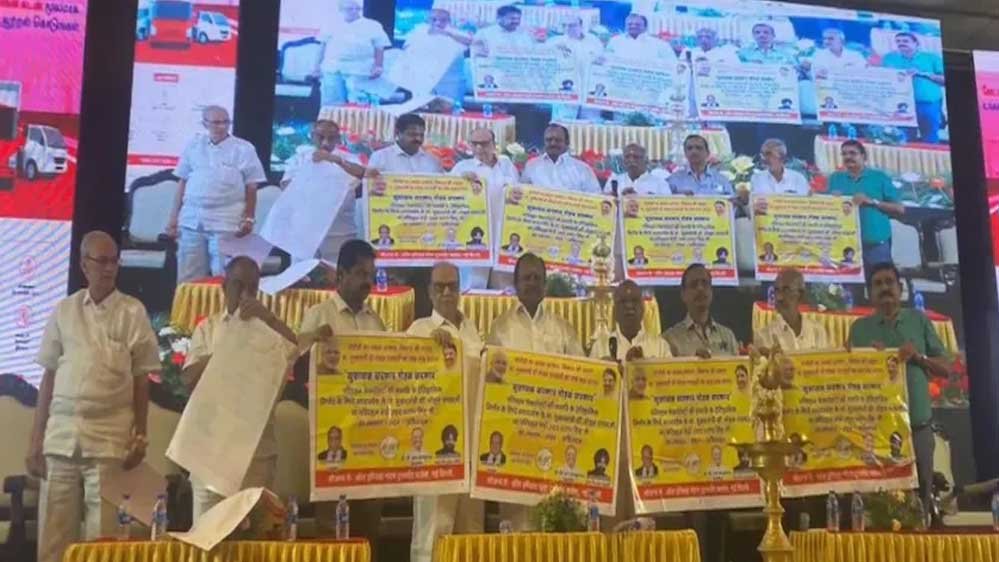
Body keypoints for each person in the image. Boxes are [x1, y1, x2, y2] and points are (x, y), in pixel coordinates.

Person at [29, 232, 161, 562]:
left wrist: (140, 436)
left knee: (103, 539)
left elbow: (141, 379)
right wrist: (35, 440)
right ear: (84, 264)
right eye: (102, 261)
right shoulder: (65, 309)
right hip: (61, 437)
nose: (109, 268)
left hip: (109, 439)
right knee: (53, 537)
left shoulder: (132, 311)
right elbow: (49, 376)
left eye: (114, 261)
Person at [181, 256, 298, 521]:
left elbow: (294, 349)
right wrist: (229, 346)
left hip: (256, 456)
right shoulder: (208, 328)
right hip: (210, 456)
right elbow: (189, 381)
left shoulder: (268, 331)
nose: (245, 294)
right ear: (224, 288)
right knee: (207, 537)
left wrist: (268, 318)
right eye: (238, 285)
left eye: (252, 288)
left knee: (256, 539)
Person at [298, 240, 387, 544]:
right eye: (361, 273)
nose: (367, 282)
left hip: (369, 439)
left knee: (369, 528)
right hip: (332, 436)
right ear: (341, 274)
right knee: (332, 529)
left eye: (371, 275)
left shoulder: (375, 321)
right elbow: (298, 369)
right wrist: (313, 341)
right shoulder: (319, 316)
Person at [486, 253, 583, 529]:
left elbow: (582, 377)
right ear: (516, 283)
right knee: (518, 523)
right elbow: (491, 382)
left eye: (537, 278)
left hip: (555, 436)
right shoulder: (500, 328)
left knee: (554, 520)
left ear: (544, 284)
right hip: (515, 437)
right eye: (526, 278)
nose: (531, 283)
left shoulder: (563, 329)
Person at [848, 263, 950, 508]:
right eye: (878, 284)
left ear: (900, 288)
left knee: (922, 499)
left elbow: (945, 368)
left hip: (918, 428)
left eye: (889, 282)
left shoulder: (918, 320)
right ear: (869, 293)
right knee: (882, 504)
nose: (885, 288)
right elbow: (849, 378)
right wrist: (873, 362)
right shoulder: (859, 329)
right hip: (878, 434)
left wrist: (918, 357)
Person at [407, 262, 484, 562]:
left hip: (472, 450)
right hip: (434, 451)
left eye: (452, 286)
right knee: (434, 533)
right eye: (439, 287)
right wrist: (429, 350)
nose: (447, 292)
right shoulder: (420, 330)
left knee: (471, 532)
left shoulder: (472, 330)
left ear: (460, 289)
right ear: (429, 291)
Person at [166, 106, 266, 282]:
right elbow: (182, 181)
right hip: (191, 220)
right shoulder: (193, 146)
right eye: (216, 122)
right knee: (188, 277)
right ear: (205, 123)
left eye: (226, 122)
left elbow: (252, 186)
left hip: (226, 220)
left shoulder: (244, 148)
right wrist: (173, 218)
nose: (222, 126)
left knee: (224, 275)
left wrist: (249, 217)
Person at [280, 118, 366, 262]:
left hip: (340, 233)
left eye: (331, 138)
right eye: (320, 137)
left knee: (339, 273)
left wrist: (335, 160)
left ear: (338, 139)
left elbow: (363, 174)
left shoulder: (349, 158)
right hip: (304, 232)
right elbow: (286, 187)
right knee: (300, 273)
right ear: (312, 136)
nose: (325, 143)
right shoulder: (299, 159)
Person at [450, 128, 520, 289]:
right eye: (475, 144)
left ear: (494, 144)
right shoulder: (462, 168)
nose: (479, 148)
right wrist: (461, 183)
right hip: (476, 240)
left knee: (505, 289)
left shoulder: (507, 165)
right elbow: (448, 197)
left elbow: (519, 193)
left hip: (504, 239)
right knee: (473, 287)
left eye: (484, 144)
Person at [828, 140, 904, 270]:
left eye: (852, 153)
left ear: (863, 156)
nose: (848, 157)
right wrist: (829, 200)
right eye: (844, 154)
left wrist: (872, 201)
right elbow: (827, 209)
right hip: (845, 247)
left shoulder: (879, 177)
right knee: (848, 283)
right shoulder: (835, 178)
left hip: (875, 245)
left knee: (880, 281)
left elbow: (900, 209)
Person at [313, 0, 390, 105]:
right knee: (332, 103)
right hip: (333, 69)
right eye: (350, 9)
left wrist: (378, 66)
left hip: (360, 70)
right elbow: (322, 47)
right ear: (341, 10)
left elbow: (379, 47)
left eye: (357, 9)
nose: (354, 11)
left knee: (359, 103)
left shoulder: (373, 25)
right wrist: (316, 67)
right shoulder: (330, 24)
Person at [881, 32, 946, 143]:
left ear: (916, 43)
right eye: (898, 41)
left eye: (905, 41)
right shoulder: (889, 58)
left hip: (927, 104)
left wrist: (922, 74)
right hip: (901, 106)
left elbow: (944, 80)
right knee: (903, 138)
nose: (901, 43)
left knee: (930, 137)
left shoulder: (931, 58)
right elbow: (883, 78)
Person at [665, 264, 739, 358]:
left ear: (711, 291)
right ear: (683, 294)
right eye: (694, 285)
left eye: (705, 283)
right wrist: (694, 363)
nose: (700, 289)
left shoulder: (728, 336)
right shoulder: (670, 339)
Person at [591, 280, 672, 361]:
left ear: (643, 308)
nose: (629, 306)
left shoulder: (661, 347)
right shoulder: (599, 348)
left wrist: (646, 366)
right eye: (623, 301)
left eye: (634, 301)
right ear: (614, 311)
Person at [401, 9, 471, 100]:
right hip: (423, 82)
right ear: (428, 20)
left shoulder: (457, 34)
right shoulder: (418, 33)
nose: (438, 23)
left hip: (450, 84)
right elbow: (406, 50)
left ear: (449, 21)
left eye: (443, 20)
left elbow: (470, 42)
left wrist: (448, 34)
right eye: (434, 19)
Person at [755, 268, 830, 352]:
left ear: (800, 295)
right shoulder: (764, 336)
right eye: (777, 290)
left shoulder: (817, 331)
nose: (779, 297)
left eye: (786, 290)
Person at [522, 124, 601, 193]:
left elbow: (596, 197)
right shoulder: (532, 166)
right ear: (544, 142)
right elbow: (521, 193)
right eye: (549, 140)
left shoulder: (582, 169)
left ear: (567, 143)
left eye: (558, 140)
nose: (553, 143)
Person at [368, 114, 444, 175]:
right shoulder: (380, 157)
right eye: (412, 134)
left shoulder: (432, 161)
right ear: (398, 133)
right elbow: (369, 185)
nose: (418, 139)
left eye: (421, 135)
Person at [667, 135, 734, 196]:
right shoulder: (673, 180)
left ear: (707, 153)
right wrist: (679, 197)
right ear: (685, 153)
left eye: (699, 148)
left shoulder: (722, 180)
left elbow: (731, 203)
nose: (694, 151)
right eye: (690, 148)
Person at [605, 13, 676, 64]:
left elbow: (672, 63)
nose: (633, 26)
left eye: (637, 24)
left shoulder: (660, 44)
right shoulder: (615, 41)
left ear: (645, 27)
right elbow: (606, 59)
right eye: (630, 24)